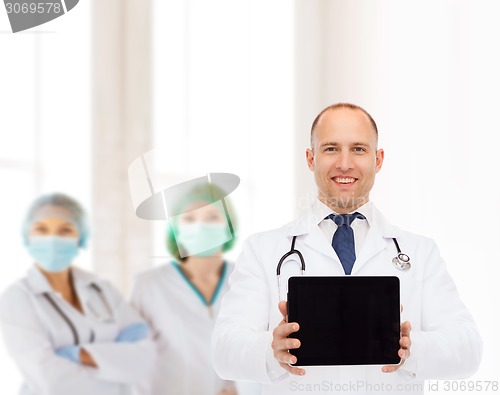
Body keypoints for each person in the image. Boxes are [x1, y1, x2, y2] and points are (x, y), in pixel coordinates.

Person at [211, 103, 482, 395]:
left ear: (378, 160)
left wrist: (411, 348)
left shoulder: (420, 252)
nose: (344, 163)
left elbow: (468, 349)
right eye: (330, 149)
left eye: (358, 149)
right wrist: (272, 349)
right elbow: (223, 352)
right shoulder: (263, 250)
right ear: (310, 158)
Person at [0, 193, 156, 395]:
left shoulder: (101, 288)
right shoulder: (17, 298)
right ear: (27, 236)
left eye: (65, 230)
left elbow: (143, 357)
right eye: (42, 229)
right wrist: (114, 369)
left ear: (80, 237)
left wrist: (76, 355)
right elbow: (50, 381)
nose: (53, 239)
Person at [131, 183, 241, 395]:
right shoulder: (149, 285)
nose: (201, 226)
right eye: (189, 219)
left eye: (211, 217)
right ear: (175, 230)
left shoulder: (246, 281)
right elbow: (134, 364)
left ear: (228, 226)